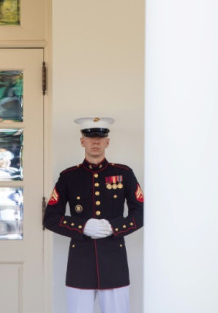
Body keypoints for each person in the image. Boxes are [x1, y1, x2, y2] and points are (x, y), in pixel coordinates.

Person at [43, 117, 144, 313]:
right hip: (80, 263)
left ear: (108, 141)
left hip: (114, 261)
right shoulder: (68, 177)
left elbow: (141, 212)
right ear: (82, 141)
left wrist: (115, 227)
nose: (95, 142)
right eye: (90, 138)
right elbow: (50, 218)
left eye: (100, 137)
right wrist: (82, 227)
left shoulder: (124, 173)